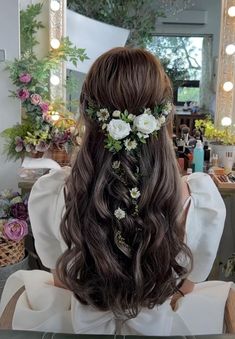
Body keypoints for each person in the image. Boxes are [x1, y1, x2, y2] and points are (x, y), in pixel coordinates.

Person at [0, 47, 232, 335]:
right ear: (162, 117)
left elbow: (61, 281)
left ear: (88, 113)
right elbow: (186, 287)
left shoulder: (54, 193)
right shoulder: (199, 201)